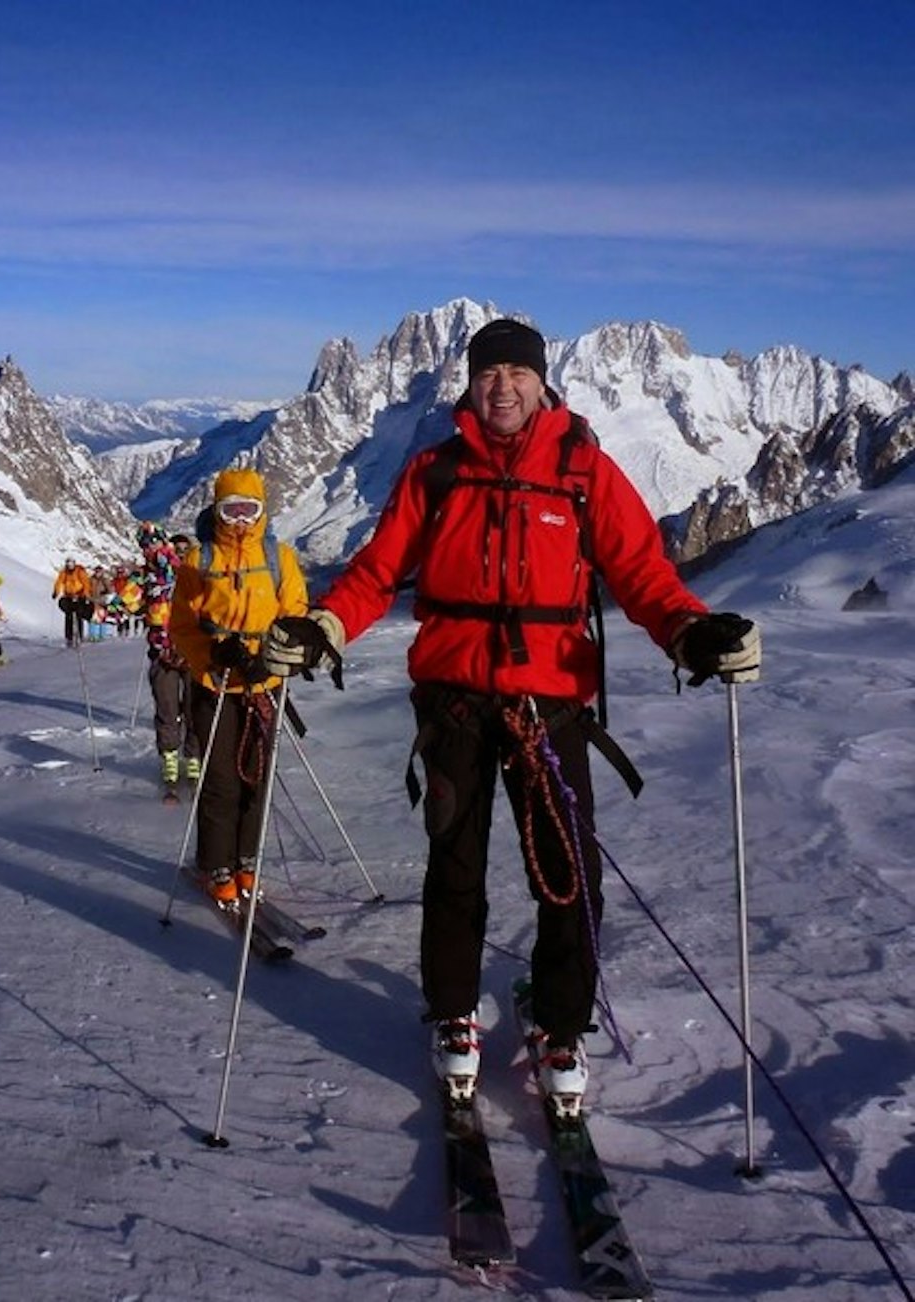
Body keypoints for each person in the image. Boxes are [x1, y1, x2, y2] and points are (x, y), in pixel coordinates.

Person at [264, 317, 761, 1109]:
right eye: (487, 372)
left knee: (568, 873)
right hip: (455, 698)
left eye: (516, 373)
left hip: (552, 700)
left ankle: (562, 1024)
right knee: (455, 863)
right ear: (469, 383)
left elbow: (640, 571)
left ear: (541, 382)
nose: (502, 386)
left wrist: (689, 632)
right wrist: (323, 626)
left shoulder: (583, 472)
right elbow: (377, 569)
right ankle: (454, 1013)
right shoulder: (436, 471)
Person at [170, 468, 308, 910]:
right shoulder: (200, 560)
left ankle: (248, 858)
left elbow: (295, 612)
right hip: (217, 682)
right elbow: (182, 626)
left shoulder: (279, 557)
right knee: (222, 781)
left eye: (251, 510)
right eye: (233, 510)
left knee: (257, 778)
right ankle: (217, 866)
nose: (242, 520)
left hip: (262, 682)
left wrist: (274, 652)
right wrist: (213, 654)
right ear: (218, 510)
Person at [137, 523, 201, 794]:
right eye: (145, 544)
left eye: (155, 542)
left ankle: (194, 760)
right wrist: (91, 608)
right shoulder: (145, 577)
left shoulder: (192, 574)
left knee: (195, 711)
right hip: (162, 655)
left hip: (194, 653)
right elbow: (126, 603)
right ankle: (171, 762)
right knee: (167, 711)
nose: (150, 547)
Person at [51, 558, 93, 647]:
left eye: (71, 563)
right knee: (68, 616)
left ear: (74, 564)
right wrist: (56, 592)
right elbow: (59, 582)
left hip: (79, 596)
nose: (69, 565)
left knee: (79, 615)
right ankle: (69, 638)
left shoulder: (80, 572)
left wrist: (86, 595)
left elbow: (86, 583)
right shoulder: (64, 572)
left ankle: (79, 637)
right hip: (68, 596)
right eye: (68, 563)